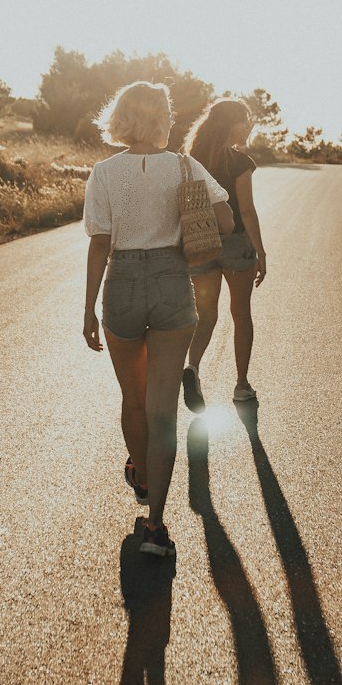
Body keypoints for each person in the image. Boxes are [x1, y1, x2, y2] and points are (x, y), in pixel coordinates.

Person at [82, 80, 234, 559]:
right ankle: (154, 527)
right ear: (162, 117)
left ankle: (143, 476)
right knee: (162, 410)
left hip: (122, 283)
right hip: (172, 281)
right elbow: (226, 221)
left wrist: (88, 307)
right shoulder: (185, 166)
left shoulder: (103, 172)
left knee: (133, 400)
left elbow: (99, 242)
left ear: (122, 117)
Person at [181, 98, 266, 410]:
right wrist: (261, 251)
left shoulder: (190, 158)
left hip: (200, 244)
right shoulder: (240, 162)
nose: (247, 126)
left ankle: (192, 368)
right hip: (236, 244)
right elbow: (246, 210)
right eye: (243, 120)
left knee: (206, 315)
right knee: (240, 314)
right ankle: (242, 386)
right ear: (230, 124)